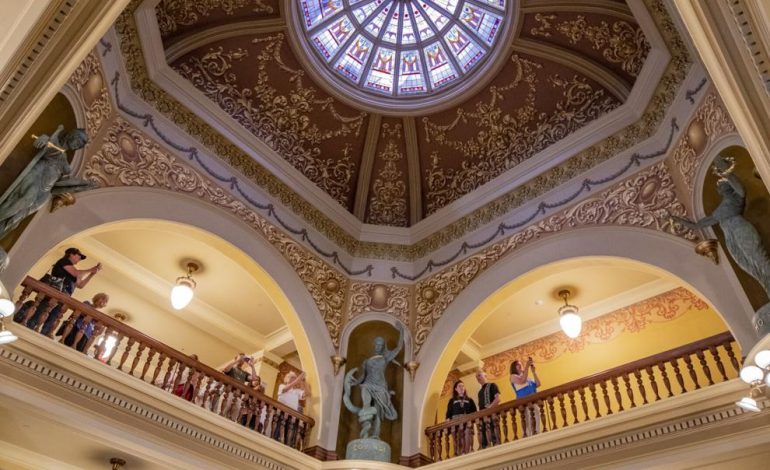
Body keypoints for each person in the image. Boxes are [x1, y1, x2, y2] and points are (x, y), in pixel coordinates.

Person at [19, 247, 101, 332]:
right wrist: (90, 270)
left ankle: (44, 333)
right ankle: (27, 328)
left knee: (51, 318)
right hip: (53, 294)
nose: (80, 258)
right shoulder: (64, 261)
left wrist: (92, 274)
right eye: (79, 256)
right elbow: (76, 273)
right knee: (40, 312)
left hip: (62, 299)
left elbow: (80, 285)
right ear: (71, 254)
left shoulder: (72, 271)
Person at [510, 357, 542, 437]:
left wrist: (533, 372)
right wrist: (527, 366)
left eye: (521, 364)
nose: (520, 365)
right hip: (524, 404)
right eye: (518, 365)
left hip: (533, 401)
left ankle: (537, 434)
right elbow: (521, 381)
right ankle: (529, 436)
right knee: (528, 422)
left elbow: (538, 384)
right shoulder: (513, 376)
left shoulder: (528, 378)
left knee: (537, 420)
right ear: (514, 367)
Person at [445, 380, 477, 455]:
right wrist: (448, 420)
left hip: (467, 421)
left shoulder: (470, 400)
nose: (462, 387)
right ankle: (459, 454)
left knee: (467, 435)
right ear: (456, 389)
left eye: (463, 386)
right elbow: (448, 413)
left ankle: (466, 452)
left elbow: (475, 412)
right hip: (456, 422)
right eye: (459, 386)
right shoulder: (452, 400)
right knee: (458, 438)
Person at [275, 371, 306, 443]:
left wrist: (303, 381)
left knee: (288, 433)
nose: (293, 379)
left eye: (294, 378)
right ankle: (275, 439)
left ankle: (287, 444)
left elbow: (305, 394)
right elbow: (285, 390)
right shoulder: (282, 386)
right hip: (282, 412)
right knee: (278, 430)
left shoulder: (296, 391)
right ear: (287, 378)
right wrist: (298, 379)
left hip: (292, 415)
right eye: (292, 378)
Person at [476, 369, 501, 449]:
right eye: (476, 377)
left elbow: (498, 399)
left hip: (492, 416)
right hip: (483, 418)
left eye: (479, 375)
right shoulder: (480, 392)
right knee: (485, 439)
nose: (477, 378)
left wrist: (489, 408)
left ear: (485, 375)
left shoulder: (492, 385)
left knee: (495, 438)